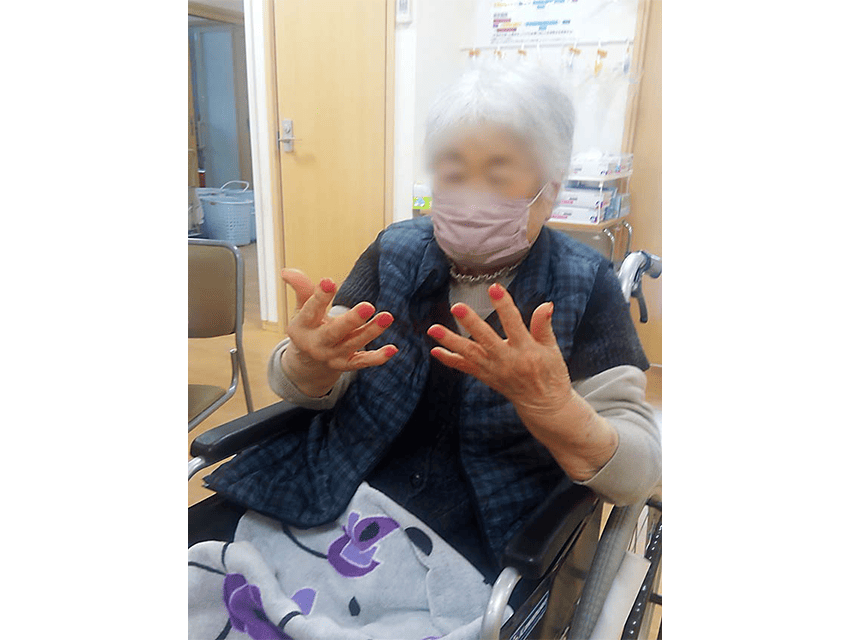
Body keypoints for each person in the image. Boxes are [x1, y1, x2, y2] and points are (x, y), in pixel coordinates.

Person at [205, 62, 661, 583]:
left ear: (551, 190)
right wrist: (307, 364)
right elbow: (315, 376)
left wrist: (558, 411)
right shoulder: (395, 250)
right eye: (452, 172)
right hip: (337, 490)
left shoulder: (586, 284)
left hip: (481, 535)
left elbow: (639, 472)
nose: (470, 195)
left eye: (498, 174)